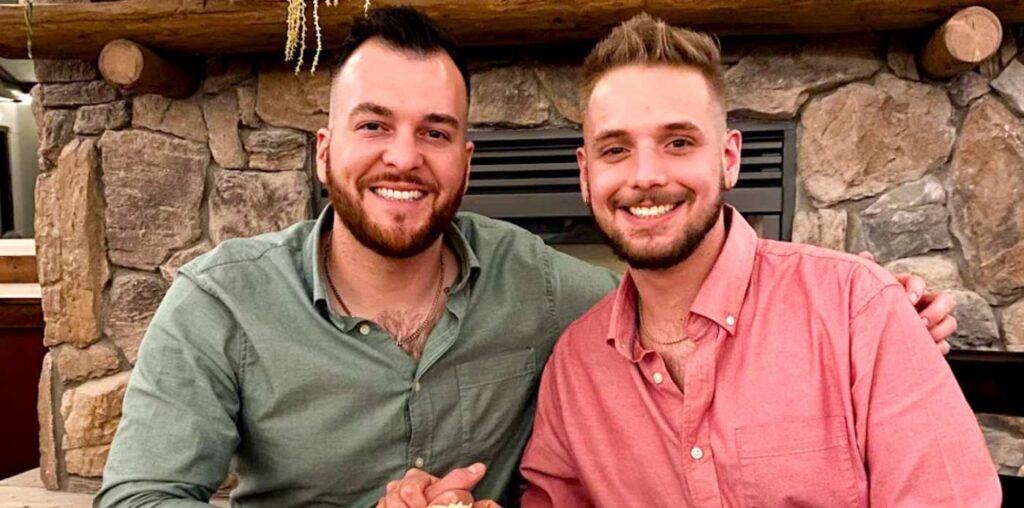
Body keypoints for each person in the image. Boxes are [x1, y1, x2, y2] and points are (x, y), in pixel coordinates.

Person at [96, 7, 958, 508]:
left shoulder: (553, 297)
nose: (404, 157)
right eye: (373, 126)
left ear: (466, 163)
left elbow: (670, 287)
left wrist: (879, 312)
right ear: (324, 152)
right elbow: (138, 498)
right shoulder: (220, 301)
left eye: (436, 132)